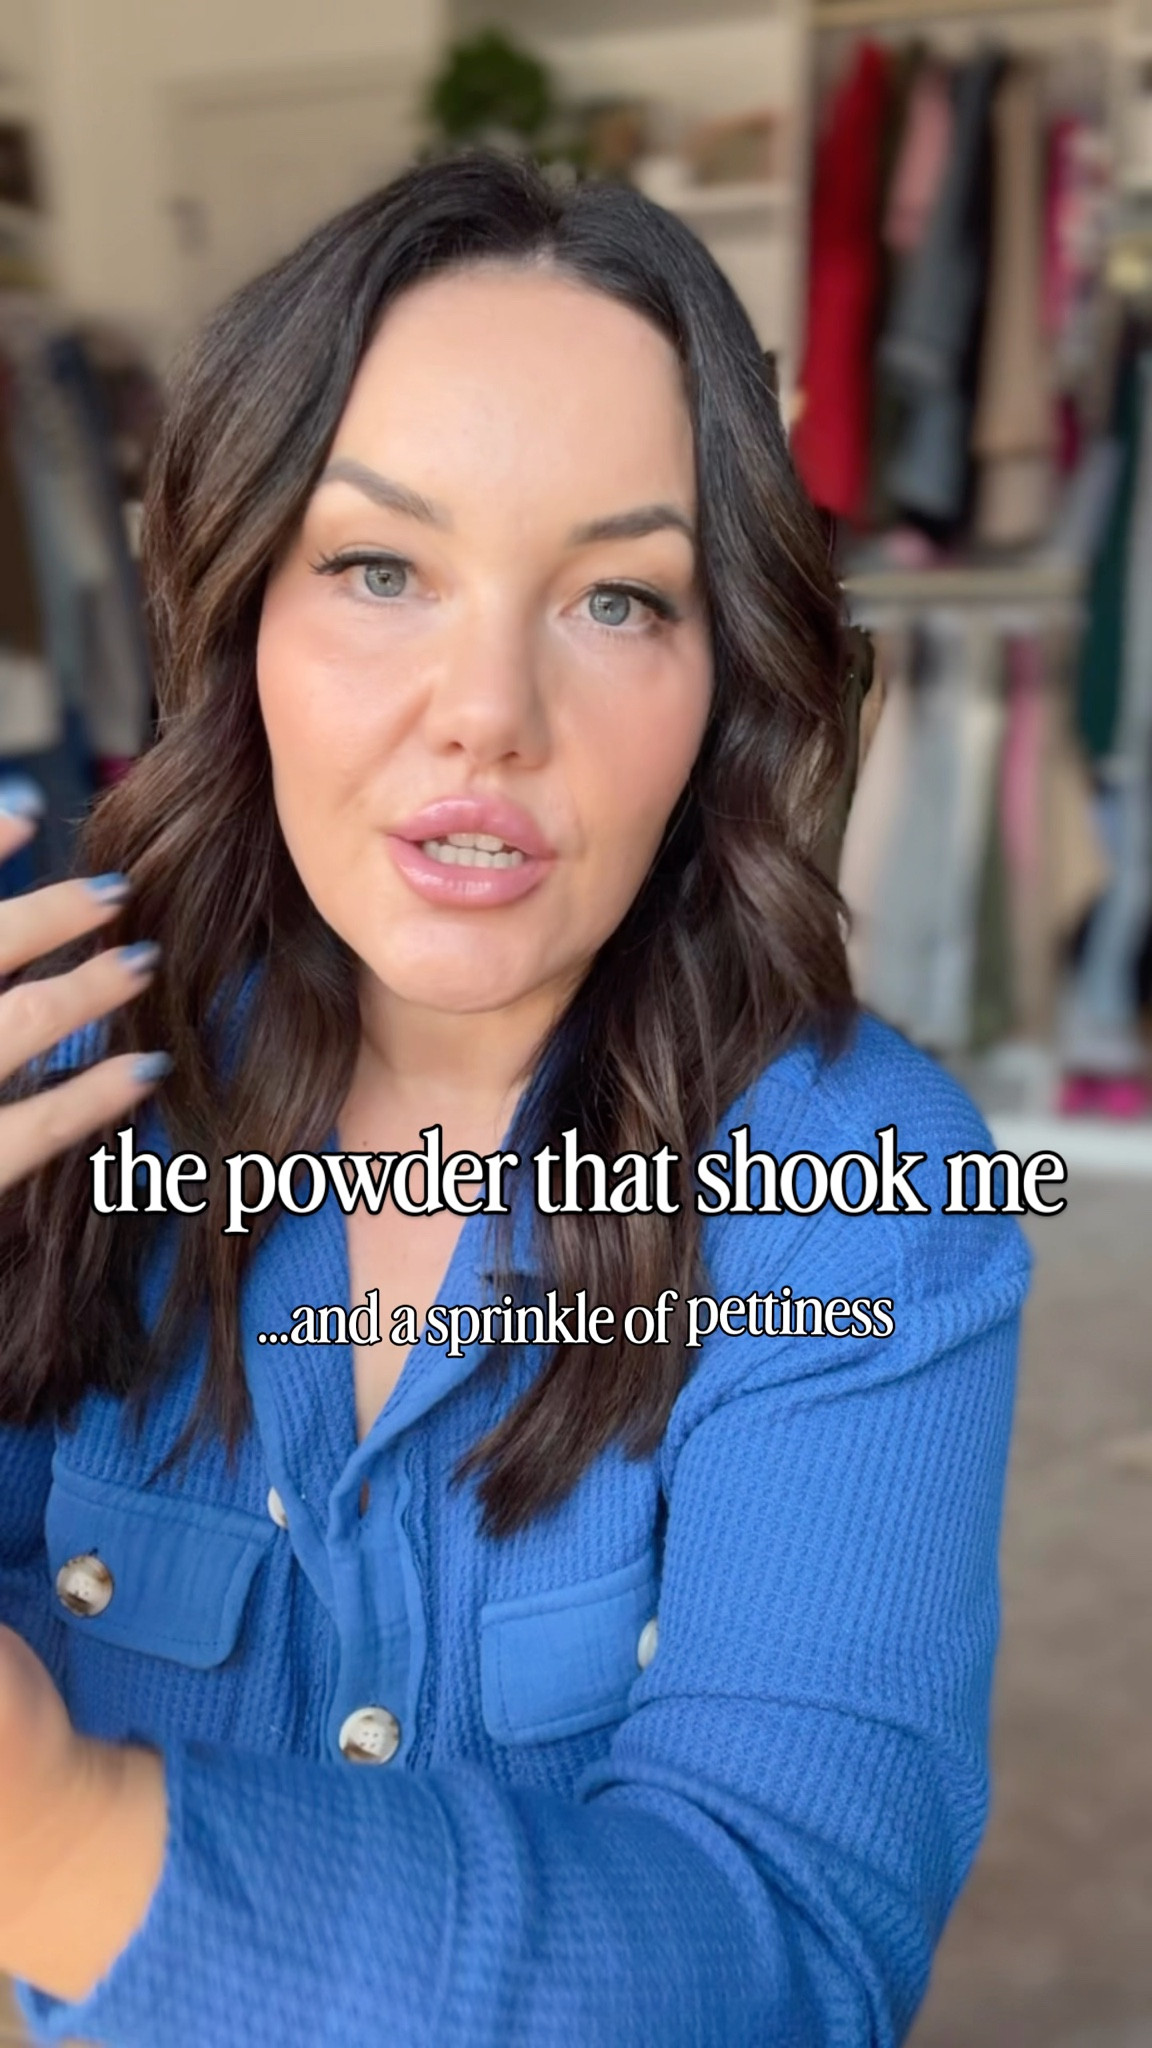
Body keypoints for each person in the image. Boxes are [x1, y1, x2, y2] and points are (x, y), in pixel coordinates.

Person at [0, 150, 1030, 2048]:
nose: (490, 709)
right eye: (379, 568)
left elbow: (795, 1954)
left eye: (618, 599)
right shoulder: (53, 1065)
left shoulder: (866, 1194)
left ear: (724, 677)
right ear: (239, 614)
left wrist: (63, 1843)